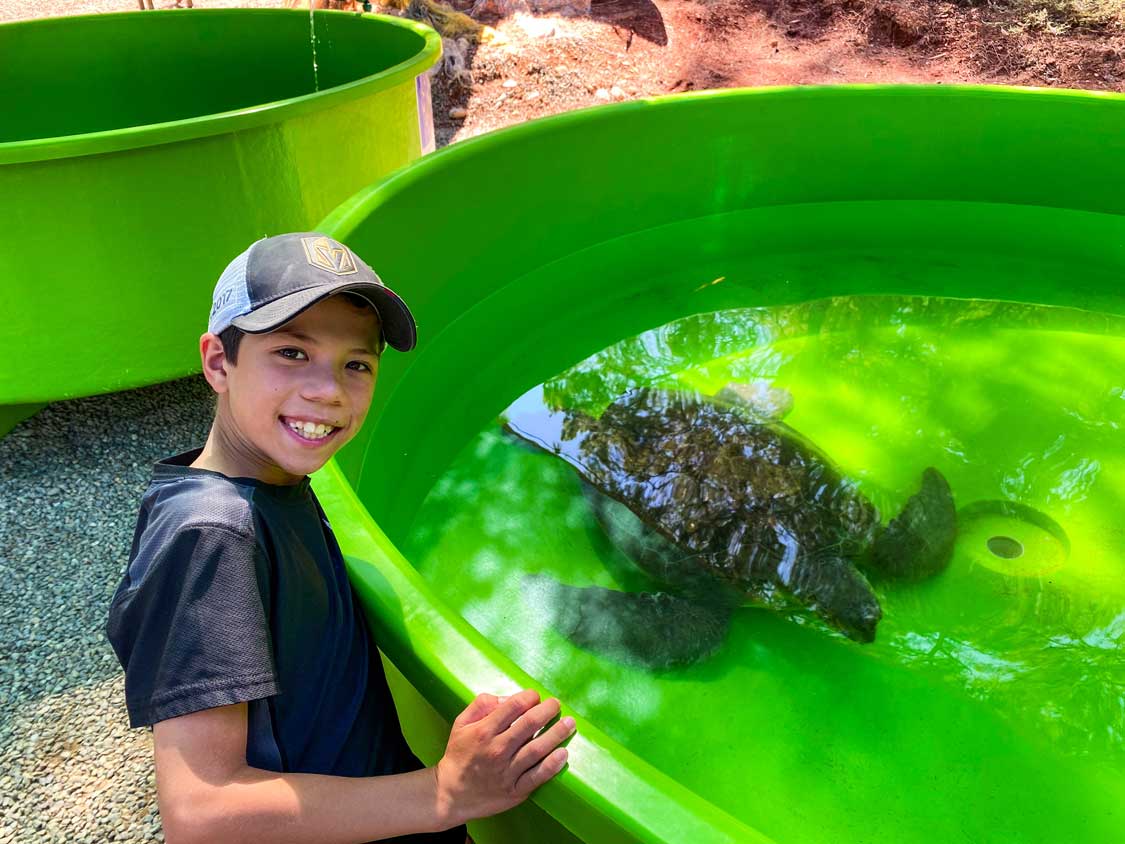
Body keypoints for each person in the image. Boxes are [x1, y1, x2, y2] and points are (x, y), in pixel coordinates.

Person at [106, 232, 575, 843]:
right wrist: (444, 793)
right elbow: (200, 813)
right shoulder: (211, 537)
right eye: (292, 354)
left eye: (356, 364)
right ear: (219, 362)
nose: (328, 390)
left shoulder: (266, 479)